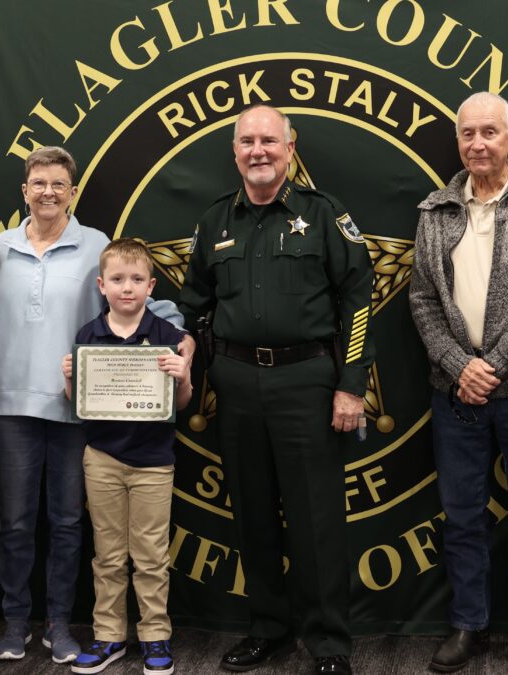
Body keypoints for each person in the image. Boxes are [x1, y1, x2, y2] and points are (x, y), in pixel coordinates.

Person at [177, 104, 374, 675]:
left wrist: (352, 385)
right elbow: (194, 302)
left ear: (290, 147)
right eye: (247, 142)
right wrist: (185, 343)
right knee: (252, 515)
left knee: (316, 521)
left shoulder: (323, 214)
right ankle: (268, 629)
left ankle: (329, 642)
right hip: (235, 386)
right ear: (234, 152)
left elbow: (359, 299)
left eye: (269, 140)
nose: (258, 151)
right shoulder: (215, 221)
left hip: (307, 383)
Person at [0, 146, 191, 664]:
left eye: (59, 183)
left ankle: (58, 622)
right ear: (24, 191)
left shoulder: (94, 244)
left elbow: (139, 298)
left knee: (69, 522)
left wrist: (181, 339)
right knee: (13, 521)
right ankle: (14, 622)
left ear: (72, 191)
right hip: (8, 402)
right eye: (39, 183)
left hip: (76, 407)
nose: (48, 191)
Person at [408, 91, 508, 675]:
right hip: (456, 395)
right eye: (467, 134)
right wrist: (460, 367)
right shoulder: (435, 210)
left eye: (489, 133)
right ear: (458, 142)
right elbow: (422, 300)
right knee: (462, 518)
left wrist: (493, 365)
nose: (478, 143)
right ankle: (467, 625)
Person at [61, 238, 191, 675]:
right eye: (118, 279)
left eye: (137, 280)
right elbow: (77, 404)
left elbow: (184, 401)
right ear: (102, 285)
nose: (127, 288)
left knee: (152, 555)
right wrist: (69, 378)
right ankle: (109, 636)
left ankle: (155, 636)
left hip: (154, 460)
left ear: (151, 285)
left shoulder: (167, 336)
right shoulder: (88, 336)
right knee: (109, 554)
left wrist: (183, 375)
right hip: (102, 458)